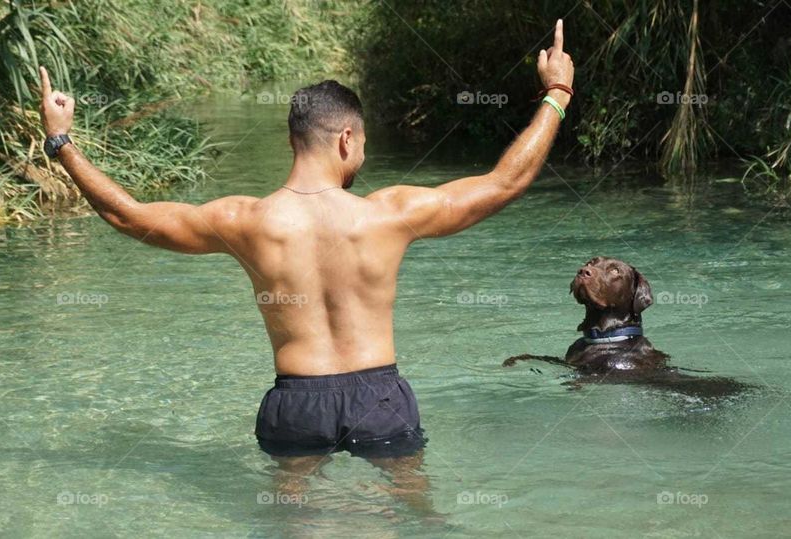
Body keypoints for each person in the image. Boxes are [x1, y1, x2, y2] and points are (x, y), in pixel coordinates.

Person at [38, 20, 574, 508]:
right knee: (416, 515)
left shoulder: (245, 220)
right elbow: (507, 182)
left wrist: (62, 140)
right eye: (361, 145)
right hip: (380, 399)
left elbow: (128, 217)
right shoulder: (389, 214)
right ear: (346, 139)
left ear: (293, 139)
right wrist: (556, 92)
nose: (360, 157)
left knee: (294, 519)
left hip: (296, 404)